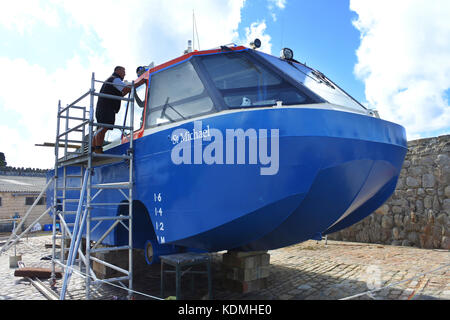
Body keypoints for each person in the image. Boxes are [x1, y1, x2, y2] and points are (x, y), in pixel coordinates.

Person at [92, 66, 131, 153]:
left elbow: (121, 93)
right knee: (103, 128)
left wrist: (128, 88)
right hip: (107, 108)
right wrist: (136, 84)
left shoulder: (111, 80)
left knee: (100, 128)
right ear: (117, 71)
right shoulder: (115, 79)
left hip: (102, 107)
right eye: (123, 71)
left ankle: (94, 148)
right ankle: (98, 149)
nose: (125, 73)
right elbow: (125, 89)